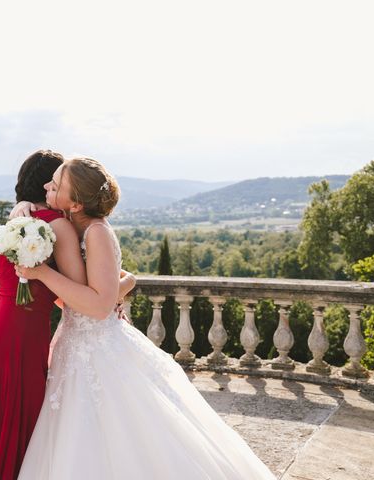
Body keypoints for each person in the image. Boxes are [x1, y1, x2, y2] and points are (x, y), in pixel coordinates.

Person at [14, 157, 276, 480]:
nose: (47, 187)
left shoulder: (95, 232)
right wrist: (24, 206)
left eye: (56, 185)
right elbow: (93, 290)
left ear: (77, 203)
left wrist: (41, 274)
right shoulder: (75, 227)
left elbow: (98, 306)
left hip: (98, 350)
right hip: (75, 345)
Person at [0, 150, 135, 480]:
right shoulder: (59, 227)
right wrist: (126, 283)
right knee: (17, 433)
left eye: (58, 183)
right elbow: (82, 299)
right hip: (21, 340)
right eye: (56, 180)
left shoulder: (18, 221)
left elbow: (57, 293)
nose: (51, 185)